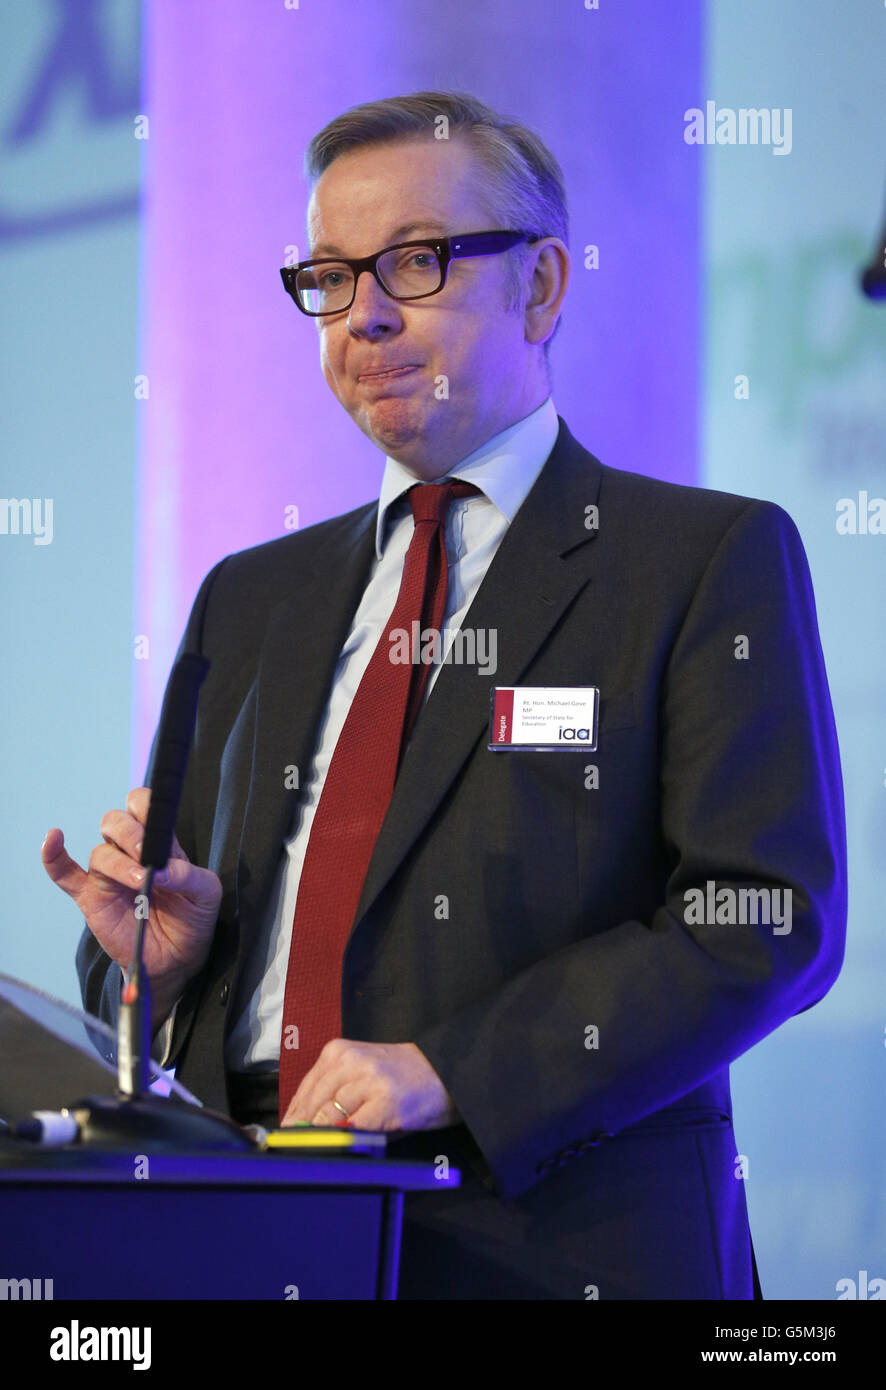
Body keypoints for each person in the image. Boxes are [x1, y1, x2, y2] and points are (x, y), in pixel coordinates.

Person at [42, 91, 847, 1300]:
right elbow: (161, 977)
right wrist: (156, 964)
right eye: (329, 274)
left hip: (553, 1239)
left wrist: (451, 1068)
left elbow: (762, 917)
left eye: (414, 263)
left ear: (541, 287)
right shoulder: (248, 595)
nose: (363, 313)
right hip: (249, 1236)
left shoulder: (695, 560)